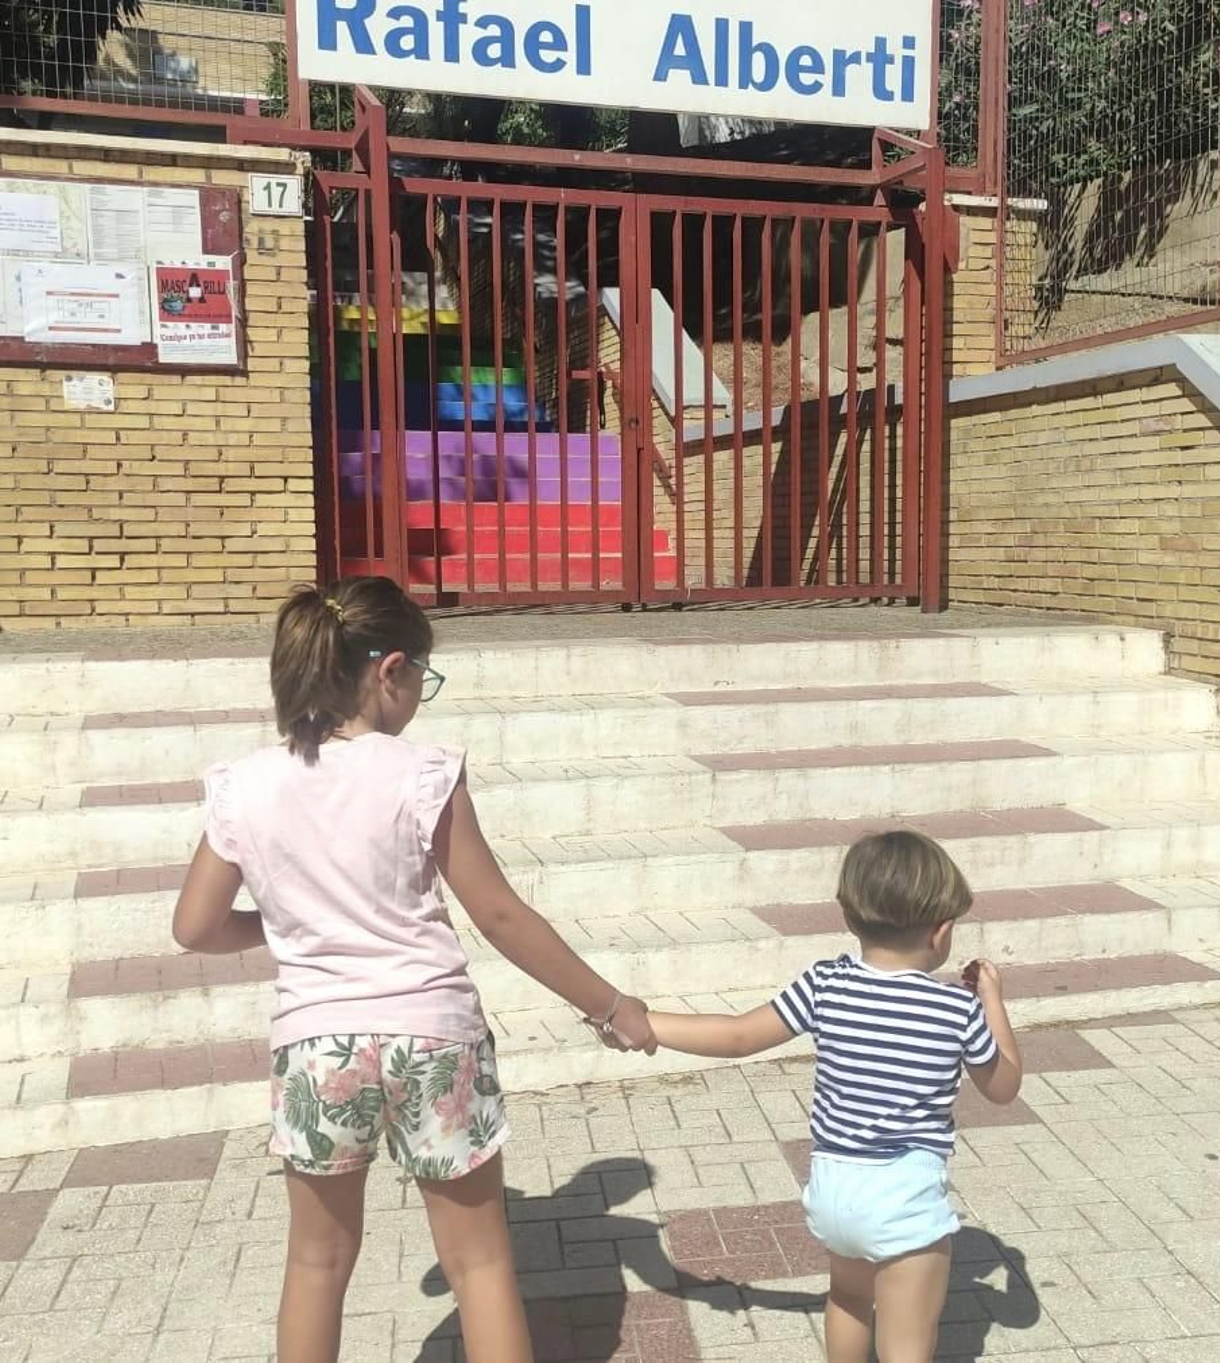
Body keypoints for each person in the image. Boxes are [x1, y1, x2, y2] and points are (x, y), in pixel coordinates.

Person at [170, 578, 656, 1363]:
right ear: (389, 669)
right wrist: (609, 1005)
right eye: (422, 679)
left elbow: (193, 926)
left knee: (316, 1262)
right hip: (431, 1036)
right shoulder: (421, 771)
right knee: (482, 1262)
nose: (419, 698)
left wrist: (295, 923)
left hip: (317, 1049)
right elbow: (499, 914)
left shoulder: (245, 783)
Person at [647, 829, 1023, 1363]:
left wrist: (643, 1022)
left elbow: (736, 1036)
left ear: (849, 917)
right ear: (941, 933)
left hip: (835, 1189)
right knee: (906, 1340)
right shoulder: (953, 1010)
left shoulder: (826, 983)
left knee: (848, 1299)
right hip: (904, 1197)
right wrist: (992, 1000)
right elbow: (1004, 1086)